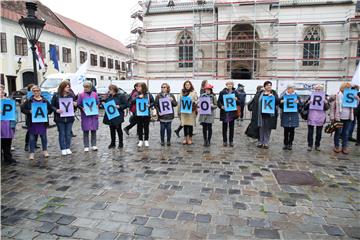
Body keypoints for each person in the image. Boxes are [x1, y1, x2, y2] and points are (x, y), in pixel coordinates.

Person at [21, 85, 53, 160]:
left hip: (42, 122)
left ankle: (45, 150)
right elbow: (22, 109)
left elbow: (50, 109)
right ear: (32, 92)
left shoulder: (44, 100)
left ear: (40, 91)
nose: (36, 92)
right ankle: (32, 153)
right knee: (32, 138)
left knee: (43, 137)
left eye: (37, 91)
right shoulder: (29, 100)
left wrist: (47, 111)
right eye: (34, 91)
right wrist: (29, 111)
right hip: (32, 122)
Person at [251, 81, 280, 149]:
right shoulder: (260, 93)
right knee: (261, 128)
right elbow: (256, 101)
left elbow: (278, 101)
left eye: (270, 85)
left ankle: (266, 142)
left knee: (268, 128)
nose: (269, 86)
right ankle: (260, 142)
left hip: (270, 114)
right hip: (260, 114)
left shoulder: (273, 93)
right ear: (264, 86)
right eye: (267, 85)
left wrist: (272, 97)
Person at [51, 80, 77, 156]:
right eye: (67, 87)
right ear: (62, 87)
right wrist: (56, 110)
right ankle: (63, 148)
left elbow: (75, 107)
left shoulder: (71, 95)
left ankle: (68, 147)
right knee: (62, 133)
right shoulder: (56, 95)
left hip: (69, 118)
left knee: (68, 133)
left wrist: (75, 105)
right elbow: (52, 106)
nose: (68, 88)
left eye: (69, 87)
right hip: (59, 118)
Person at [330, 82, 354, 154]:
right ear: (343, 88)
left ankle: (344, 147)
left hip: (348, 117)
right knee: (338, 132)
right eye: (347, 88)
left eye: (349, 88)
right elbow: (332, 107)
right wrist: (332, 117)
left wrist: (357, 99)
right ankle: (336, 146)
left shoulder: (352, 96)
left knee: (346, 133)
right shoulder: (337, 95)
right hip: (339, 117)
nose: (349, 89)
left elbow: (355, 105)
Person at [102, 84, 128, 149]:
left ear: (114, 90)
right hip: (110, 116)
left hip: (118, 115)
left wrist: (119, 106)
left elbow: (126, 104)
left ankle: (120, 143)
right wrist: (103, 104)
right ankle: (112, 143)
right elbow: (106, 105)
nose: (109, 91)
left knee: (119, 129)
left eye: (110, 89)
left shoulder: (121, 96)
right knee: (112, 130)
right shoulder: (109, 97)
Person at [77, 81, 99, 152]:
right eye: (84, 87)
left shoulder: (95, 94)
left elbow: (98, 102)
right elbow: (78, 104)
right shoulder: (81, 95)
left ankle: (94, 145)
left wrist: (97, 105)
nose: (85, 88)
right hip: (85, 115)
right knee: (85, 131)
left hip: (93, 115)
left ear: (90, 87)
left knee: (93, 130)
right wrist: (82, 108)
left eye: (87, 87)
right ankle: (86, 146)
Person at [217, 81, 241, 147]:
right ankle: (224, 141)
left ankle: (231, 141)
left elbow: (240, 102)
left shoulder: (236, 92)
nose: (230, 85)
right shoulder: (222, 92)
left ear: (233, 85)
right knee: (224, 127)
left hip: (232, 113)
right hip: (225, 112)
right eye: (228, 84)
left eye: (231, 84)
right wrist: (221, 106)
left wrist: (236, 100)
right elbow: (219, 102)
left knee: (231, 127)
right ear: (226, 85)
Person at [305, 84, 328, 151]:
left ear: (322, 90)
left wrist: (326, 103)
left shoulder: (325, 97)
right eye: (316, 89)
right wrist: (308, 103)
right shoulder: (311, 96)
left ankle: (317, 145)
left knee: (319, 132)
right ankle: (310, 145)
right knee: (310, 132)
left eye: (319, 89)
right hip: (311, 116)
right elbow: (305, 107)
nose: (317, 90)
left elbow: (327, 108)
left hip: (320, 116)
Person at [131, 82, 154, 148]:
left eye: (139, 86)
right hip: (138, 113)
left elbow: (153, 102)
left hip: (146, 113)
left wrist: (149, 105)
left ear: (143, 87)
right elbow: (131, 102)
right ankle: (140, 140)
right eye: (137, 86)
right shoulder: (136, 94)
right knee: (139, 127)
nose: (137, 88)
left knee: (146, 127)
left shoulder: (148, 94)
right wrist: (138, 97)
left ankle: (146, 140)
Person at [279, 84, 301, 150]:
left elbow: (300, 106)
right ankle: (285, 143)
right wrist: (281, 103)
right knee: (286, 130)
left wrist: (298, 103)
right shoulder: (284, 96)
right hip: (286, 115)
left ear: (293, 89)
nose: (290, 90)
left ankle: (290, 143)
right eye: (289, 88)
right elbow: (280, 105)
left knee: (292, 130)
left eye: (291, 88)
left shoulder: (297, 96)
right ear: (287, 89)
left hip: (293, 115)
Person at [0, 85, 17, 165]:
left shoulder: (8, 101)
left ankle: (8, 157)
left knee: (7, 141)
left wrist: (14, 122)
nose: (1, 92)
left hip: (7, 124)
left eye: (2, 90)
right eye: (0, 90)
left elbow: (14, 112)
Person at [178, 80, 198, 145]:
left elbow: (197, 100)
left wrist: (193, 101)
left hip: (191, 111)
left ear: (190, 85)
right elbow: (180, 101)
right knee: (185, 125)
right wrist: (179, 111)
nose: (187, 86)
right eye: (186, 85)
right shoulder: (181, 92)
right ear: (184, 85)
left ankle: (190, 138)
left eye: (188, 85)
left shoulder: (193, 92)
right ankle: (185, 138)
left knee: (190, 125)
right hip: (184, 111)